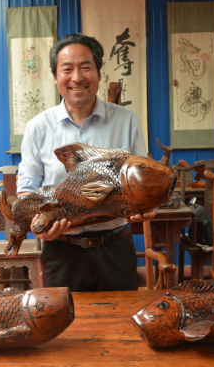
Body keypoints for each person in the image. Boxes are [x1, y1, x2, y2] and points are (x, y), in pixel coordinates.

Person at [16, 33, 157, 292]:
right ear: (55, 77)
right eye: (67, 69)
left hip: (116, 249)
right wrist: (38, 225)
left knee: (122, 317)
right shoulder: (39, 127)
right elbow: (27, 187)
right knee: (63, 319)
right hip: (61, 251)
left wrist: (149, 205)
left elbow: (142, 179)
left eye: (85, 67)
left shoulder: (127, 121)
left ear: (99, 73)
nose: (77, 77)